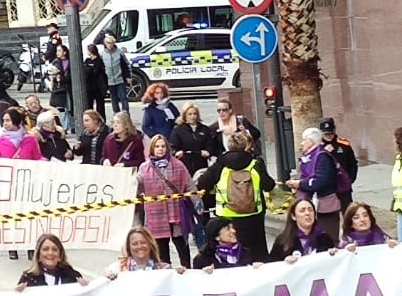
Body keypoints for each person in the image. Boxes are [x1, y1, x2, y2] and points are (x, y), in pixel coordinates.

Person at [201, 129, 272, 261]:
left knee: (232, 253)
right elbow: (269, 185)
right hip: (253, 216)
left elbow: (203, 183)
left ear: (228, 146)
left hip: (227, 218)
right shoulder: (255, 164)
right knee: (257, 254)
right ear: (246, 145)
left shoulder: (220, 165)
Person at [139, 132, 195, 267]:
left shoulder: (179, 165)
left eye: (163, 146)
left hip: (176, 212)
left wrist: (197, 202)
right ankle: (166, 274)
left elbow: (189, 184)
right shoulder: (144, 168)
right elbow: (137, 185)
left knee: (182, 246)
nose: (160, 149)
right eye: (157, 146)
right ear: (152, 148)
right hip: (156, 215)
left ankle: (187, 270)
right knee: (162, 249)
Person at [291, 126, 340, 239]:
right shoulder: (309, 156)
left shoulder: (322, 157)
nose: (302, 143)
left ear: (310, 141)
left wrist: (299, 184)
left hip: (324, 206)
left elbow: (320, 182)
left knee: (328, 238)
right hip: (313, 202)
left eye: (304, 140)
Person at [15, 233, 88, 289]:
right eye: (45, 249)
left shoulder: (72, 276)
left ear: (60, 255)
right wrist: (17, 294)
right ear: (38, 255)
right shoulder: (28, 278)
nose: (50, 253)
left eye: (55, 249)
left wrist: (87, 290)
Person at [99, 35, 131, 117]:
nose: (110, 45)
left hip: (120, 79)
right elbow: (102, 68)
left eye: (112, 43)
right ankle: (116, 115)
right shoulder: (102, 54)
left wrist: (128, 76)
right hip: (109, 81)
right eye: (108, 43)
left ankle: (126, 115)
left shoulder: (119, 52)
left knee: (123, 98)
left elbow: (126, 65)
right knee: (114, 99)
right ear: (105, 44)